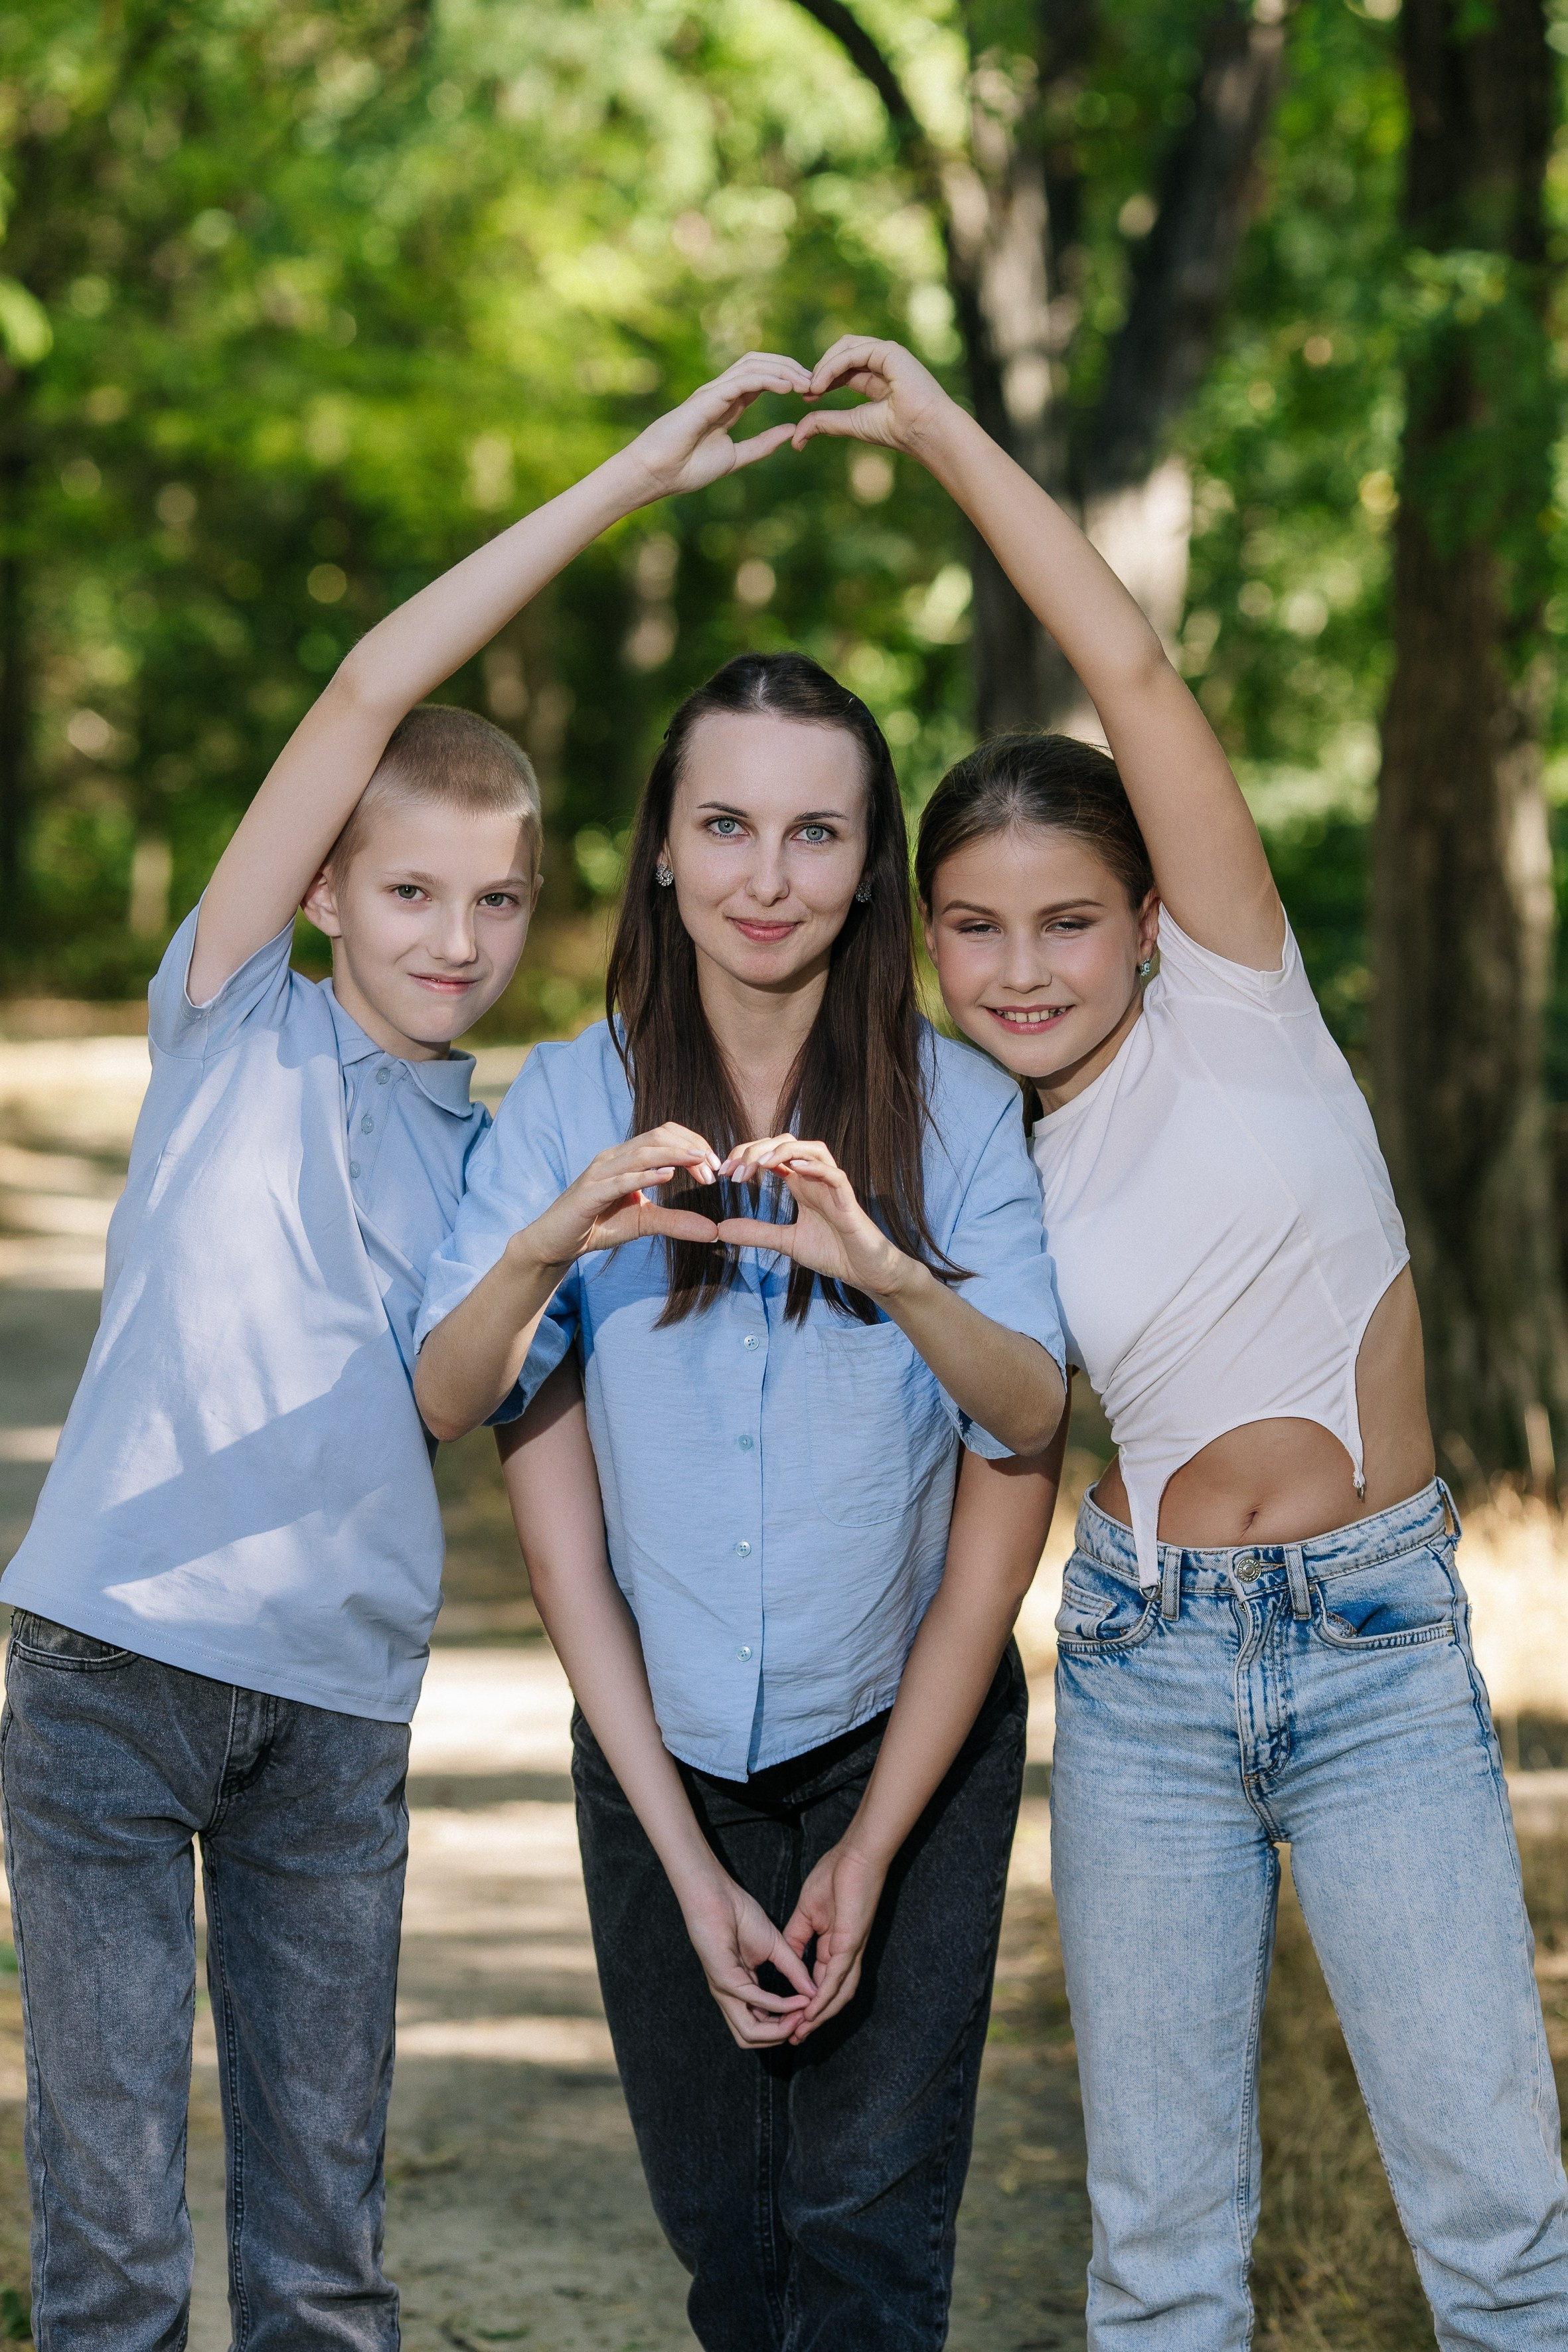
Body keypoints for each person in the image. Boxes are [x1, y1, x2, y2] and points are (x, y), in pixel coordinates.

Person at [0, 353, 818, 2352]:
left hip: (339, 1712)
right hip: (108, 1672)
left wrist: (555, 1234)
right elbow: (372, 684)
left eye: (497, 900)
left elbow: (454, 1400)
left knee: (323, 2253)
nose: (455, 937)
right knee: (109, 2245)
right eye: (409, 891)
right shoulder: (235, 1021)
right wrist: (630, 482)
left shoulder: (508, 1150)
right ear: (325, 892)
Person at [780, 330, 1568, 2347]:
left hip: (1371, 1646)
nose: (1020, 966)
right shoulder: (984, 1157)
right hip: (1141, 1661)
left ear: (1147, 915)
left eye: (1065, 919)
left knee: (1496, 2221)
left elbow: (1125, 668)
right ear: (928, 943)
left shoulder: (1236, 996)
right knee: (1156, 2248)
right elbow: (997, 1422)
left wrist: (939, 431)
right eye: (973, 928)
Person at [412, 648, 1068, 2349]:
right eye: (724, 825)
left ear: (866, 868)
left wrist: (892, 1269)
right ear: (660, 845)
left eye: (813, 832)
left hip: (903, 1737)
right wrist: (544, 1243)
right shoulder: (566, 1098)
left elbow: (1025, 1416)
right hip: (663, 1745)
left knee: (862, 2230)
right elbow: (453, 1396)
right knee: (727, 2238)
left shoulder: (959, 1106)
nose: (765, 877)